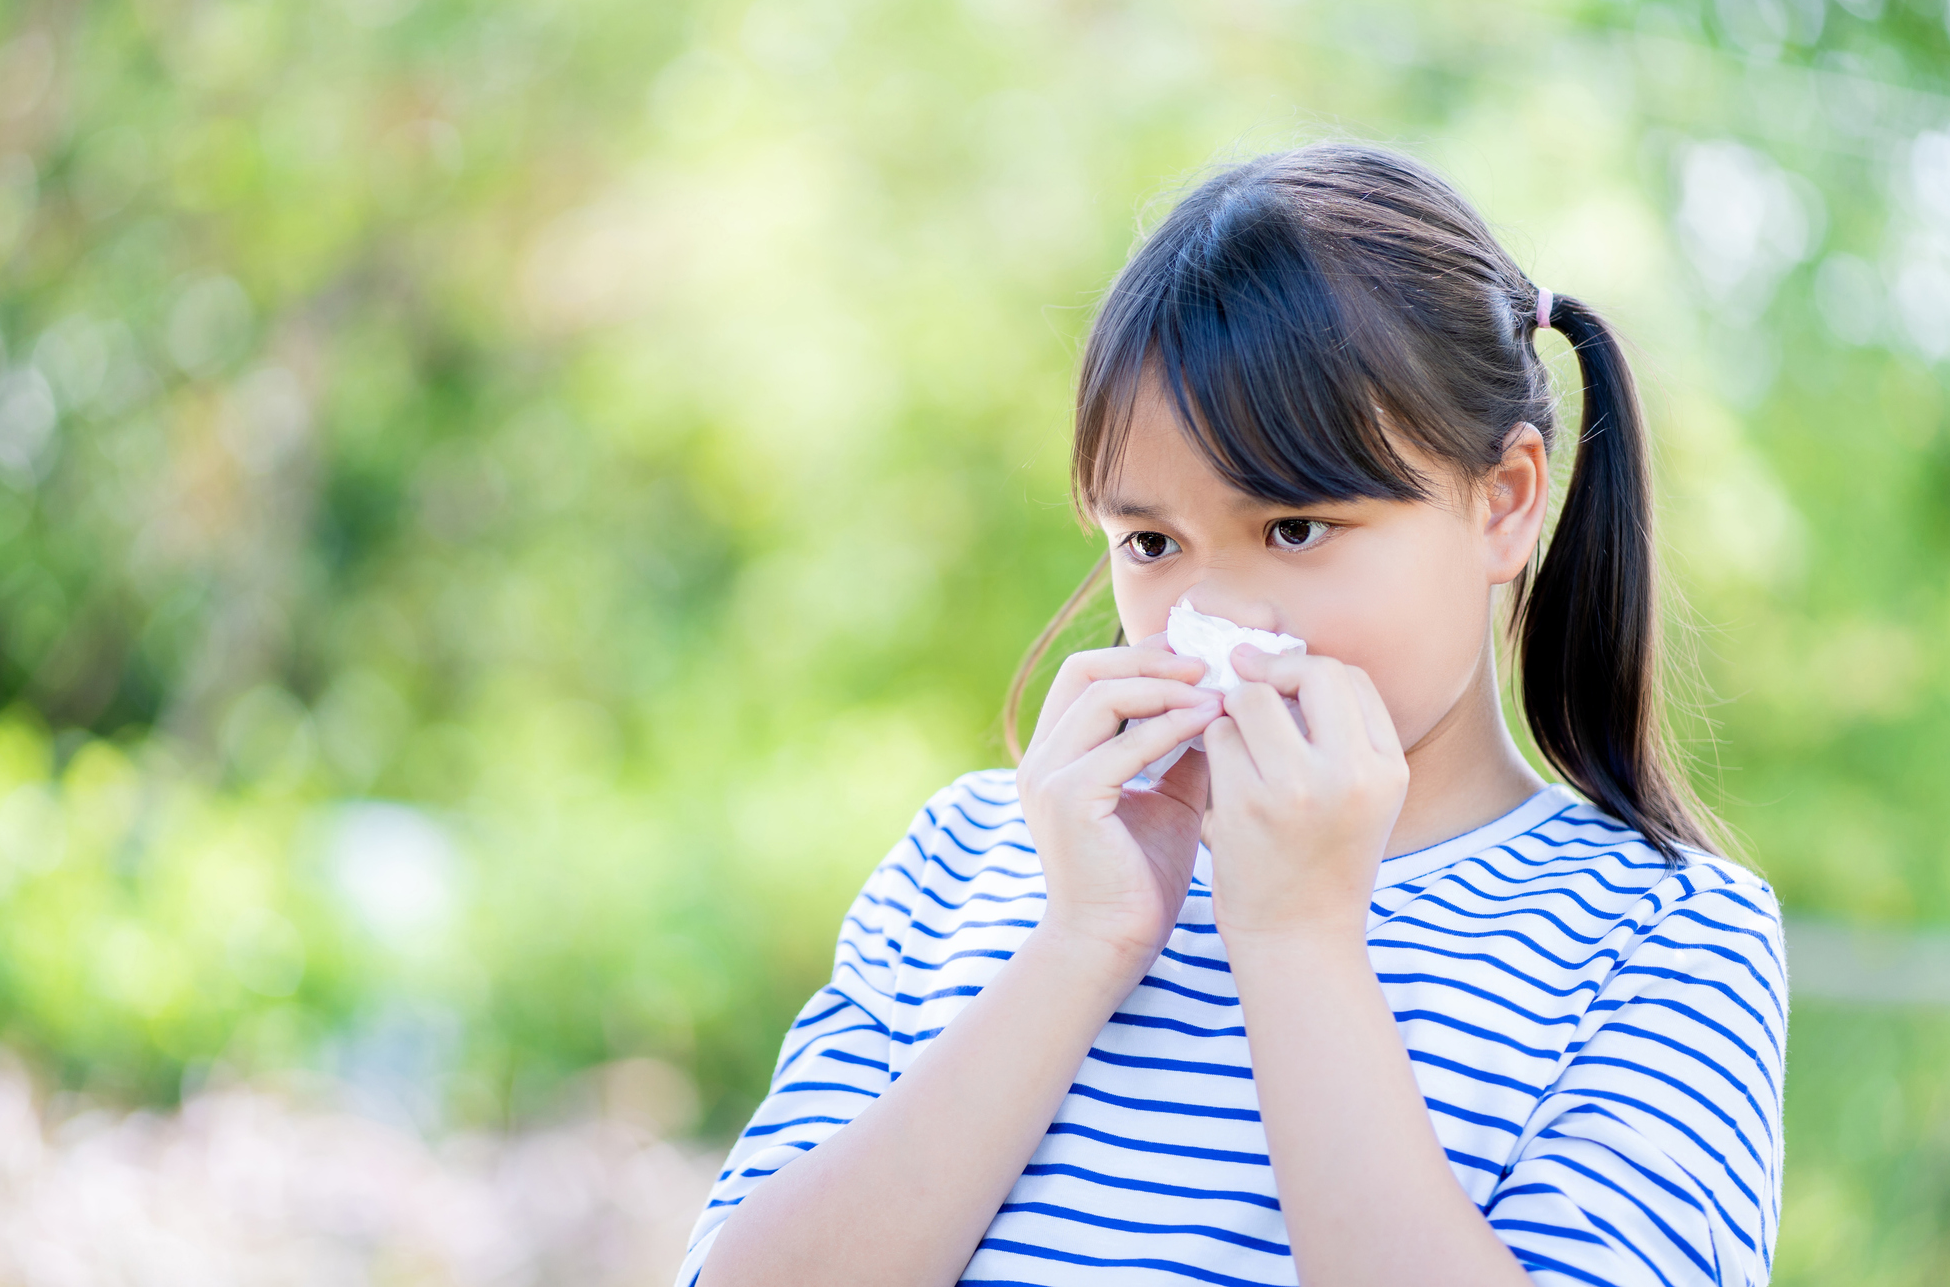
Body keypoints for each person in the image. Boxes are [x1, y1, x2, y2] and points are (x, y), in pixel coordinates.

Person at [679, 143, 1786, 1287]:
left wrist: (1298, 938)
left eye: (1295, 528)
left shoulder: (1666, 938)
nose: (1211, 613)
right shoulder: (970, 862)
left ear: (1503, 501)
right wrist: (1081, 942)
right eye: (1152, 543)